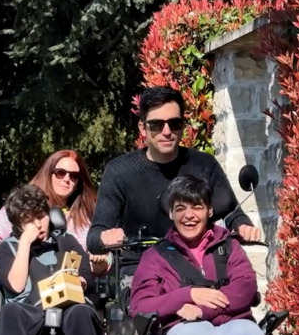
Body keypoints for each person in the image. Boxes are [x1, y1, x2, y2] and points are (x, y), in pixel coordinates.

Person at [129, 175, 299, 335]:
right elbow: (141, 306)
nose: (189, 215)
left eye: (196, 207)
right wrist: (187, 294)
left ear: (209, 210)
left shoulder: (229, 246)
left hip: (232, 324)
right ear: (171, 213)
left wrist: (201, 309)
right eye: (180, 208)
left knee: (243, 332)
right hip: (184, 330)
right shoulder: (155, 257)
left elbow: (245, 288)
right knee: (194, 333)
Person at [87, 86, 262, 284]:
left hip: (198, 268)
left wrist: (242, 226)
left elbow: (231, 212)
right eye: (156, 125)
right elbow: (93, 237)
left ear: (183, 125)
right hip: (142, 272)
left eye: (174, 123)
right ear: (142, 128)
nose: (167, 132)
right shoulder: (120, 171)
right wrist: (106, 237)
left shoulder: (204, 164)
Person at [0, 185, 104, 335]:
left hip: (68, 309)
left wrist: (77, 282)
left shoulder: (66, 241)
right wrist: (25, 243)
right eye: (28, 221)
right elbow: (15, 286)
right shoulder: (7, 249)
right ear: (18, 225)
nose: (37, 225)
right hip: (31, 312)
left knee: (82, 312)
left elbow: (87, 278)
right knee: (10, 311)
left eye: (40, 217)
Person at [0, 150, 108, 275]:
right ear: (49, 173)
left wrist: (100, 262)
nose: (67, 179)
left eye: (74, 176)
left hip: (68, 285)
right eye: (60, 173)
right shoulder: (23, 201)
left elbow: (100, 260)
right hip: (24, 284)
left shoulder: (88, 214)